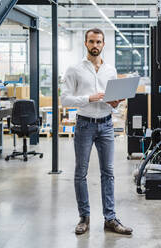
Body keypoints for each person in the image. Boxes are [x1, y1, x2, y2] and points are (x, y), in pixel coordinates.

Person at [61, 28, 132, 235]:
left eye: (98, 42)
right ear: (85, 43)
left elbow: (113, 103)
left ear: (103, 44)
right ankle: (84, 217)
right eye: (91, 41)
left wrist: (116, 103)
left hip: (107, 125)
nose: (95, 45)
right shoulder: (74, 69)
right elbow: (64, 99)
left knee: (108, 173)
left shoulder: (110, 70)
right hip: (84, 124)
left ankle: (110, 219)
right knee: (80, 173)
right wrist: (88, 98)